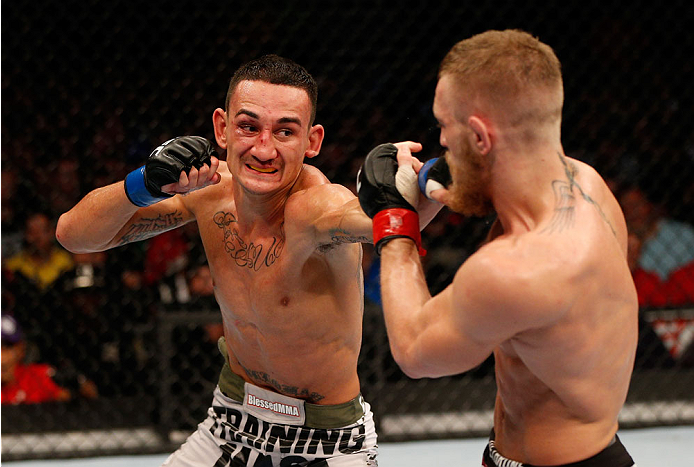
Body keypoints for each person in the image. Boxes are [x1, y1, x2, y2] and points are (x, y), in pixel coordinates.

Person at [56, 54, 381, 466]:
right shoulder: (210, 192)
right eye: (249, 127)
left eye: (285, 131)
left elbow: (375, 224)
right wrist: (143, 184)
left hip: (327, 443)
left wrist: (415, 189)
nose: (264, 149)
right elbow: (73, 234)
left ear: (312, 141)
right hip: (229, 423)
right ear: (222, 128)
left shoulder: (320, 206)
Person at [357, 30, 638, 466]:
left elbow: (414, 350)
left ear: (481, 137)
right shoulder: (588, 184)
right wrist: (438, 176)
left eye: (445, 126)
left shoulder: (519, 268)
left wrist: (393, 221)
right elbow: (494, 182)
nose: (442, 140)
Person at [1, 313, 71, 404]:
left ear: (20, 349)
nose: (2, 357)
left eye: (7, 347)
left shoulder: (38, 377)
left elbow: (71, 400)